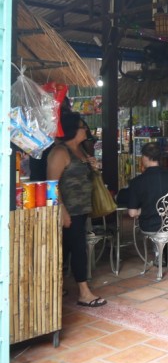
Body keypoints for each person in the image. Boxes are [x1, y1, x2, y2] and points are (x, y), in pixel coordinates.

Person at [47, 112, 107, 307]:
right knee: (78, 249)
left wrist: (94, 167)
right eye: (83, 127)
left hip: (82, 208)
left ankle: (58, 285)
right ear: (73, 129)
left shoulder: (81, 150)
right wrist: (62, 210)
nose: (86, 130)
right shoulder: (60, 153)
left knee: (67, 248)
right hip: (69, 210)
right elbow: (51, 185)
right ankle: (84, 292)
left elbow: (88, 177)